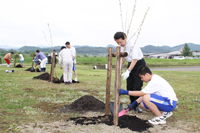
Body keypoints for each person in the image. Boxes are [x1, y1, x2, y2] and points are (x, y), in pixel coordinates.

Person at [114, 32, 146, 113]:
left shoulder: (133, 45)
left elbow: (135, 59)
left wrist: (128, 71)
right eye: (117, 42)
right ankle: (132, 104)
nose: (119, 44)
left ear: (125, 38)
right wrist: (120, 67)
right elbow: (124, 57)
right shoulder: (121, 47)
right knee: (130, 86)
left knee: (137, 86)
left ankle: (137, 105)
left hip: (139, 64)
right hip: (131, 64)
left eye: (120, 42)